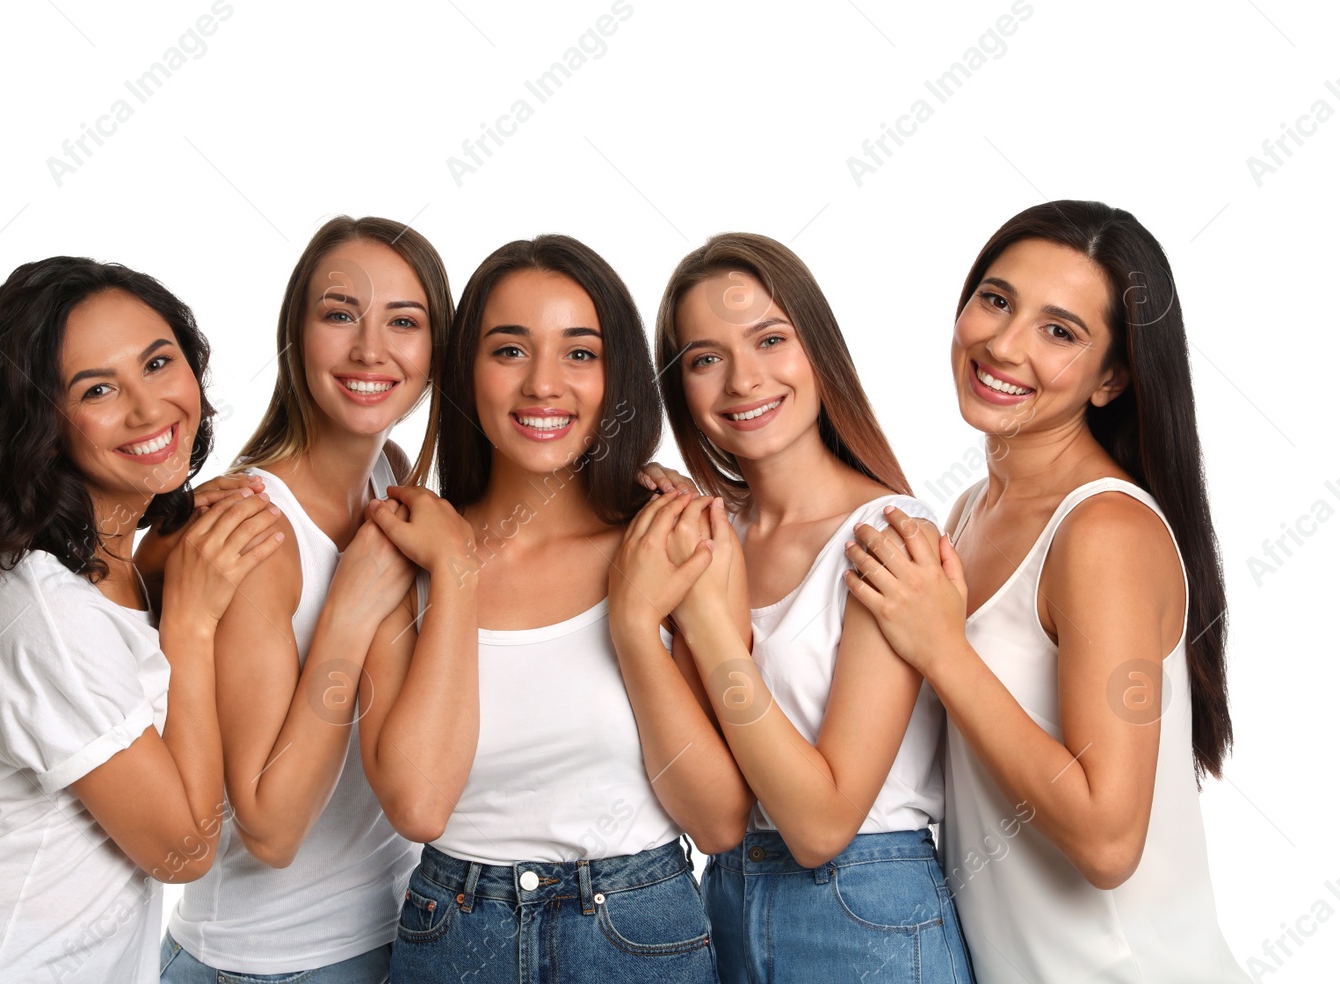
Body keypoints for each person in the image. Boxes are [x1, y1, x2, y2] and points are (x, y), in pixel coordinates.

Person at [842, 200, 1247, 982]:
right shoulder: (968, 514)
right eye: (996, 300)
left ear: (1112, 379)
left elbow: (1106, 842)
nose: (1002, 343)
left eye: (1059, 331)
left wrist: (942, 649)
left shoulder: (1102, 533)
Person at [0, 257, 284, 983]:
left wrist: (168, 565)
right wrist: (193, 622)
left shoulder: (77, 549)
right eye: (98, 390)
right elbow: (183, 850)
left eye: (158, 363)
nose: (150, 410)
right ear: (39, 421)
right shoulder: (44, 608)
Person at [359, 234, 752, 984]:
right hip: (454, 936)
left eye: (580, 353)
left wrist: (635, 628)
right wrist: (457, 572)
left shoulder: (677, 542)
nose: (544, 385)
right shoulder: (405, 547)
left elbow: (717, 820)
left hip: (638, 932)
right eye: (509, 350)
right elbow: (417, 804)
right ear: (466, 372)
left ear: (616, 376)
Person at [652, 233, 974, 982]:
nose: (743, 379)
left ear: (818, 350)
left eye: (770, 339)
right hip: (722, 906)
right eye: (705, 358)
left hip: (866, 912)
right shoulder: (709, 540)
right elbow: (702, 805)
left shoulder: (893, 537)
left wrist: (704, 625)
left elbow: (822, 824)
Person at [147, 216, 453, 983]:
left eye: (404, 322)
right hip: (269, 965)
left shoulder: (391, 472)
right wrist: (347, 619)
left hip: (399, 934)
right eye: (340, 313)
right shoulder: (255, 531)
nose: (370, 350)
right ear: (297, 336)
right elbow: (270, 828)